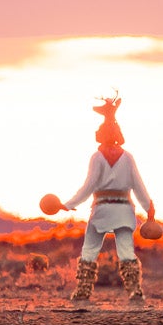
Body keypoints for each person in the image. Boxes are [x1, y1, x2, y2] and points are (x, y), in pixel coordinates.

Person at [55, 95, 155, 304]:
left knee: (89, 249)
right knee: (126, 250)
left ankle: (83, 291)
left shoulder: (97, 157)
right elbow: (138, 185)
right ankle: (135, 291)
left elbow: (88, 185)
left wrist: (69, 204)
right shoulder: (127, 157)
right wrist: (149, 209)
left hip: (101, 210)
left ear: (102, 134)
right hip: (124, 210)